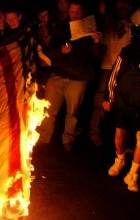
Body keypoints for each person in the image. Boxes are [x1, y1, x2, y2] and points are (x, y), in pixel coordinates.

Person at [38, 0, 104, 152]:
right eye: (72, 12)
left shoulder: (91, 29)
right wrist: (61, 51)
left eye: (77, 12)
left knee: (72, 113)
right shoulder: (61, 27)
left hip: (78, 79)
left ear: (83, 12)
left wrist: (97, 42)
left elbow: (98, 56)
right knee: (49, 110)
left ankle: (68, 139)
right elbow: (49, 52)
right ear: (68, 12)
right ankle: (43, 137)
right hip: (58, 75)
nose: (74, 15)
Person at [104, 23, 140, 192]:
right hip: (125, 102)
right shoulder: (128, 53)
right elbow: (114, 75)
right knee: (120, 136)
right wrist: (108, 97)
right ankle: (120, 160)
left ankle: (133, 174)